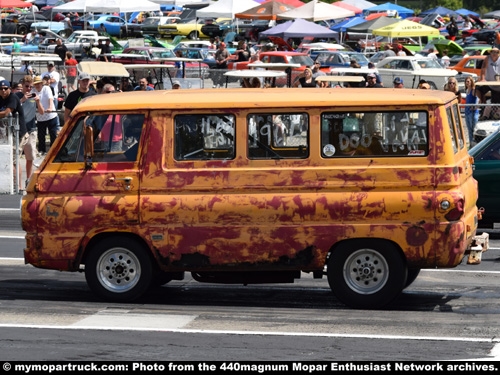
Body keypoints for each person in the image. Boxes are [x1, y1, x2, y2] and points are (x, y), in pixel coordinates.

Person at [0, 79, 27, 189]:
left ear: (9, 89)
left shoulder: (13, 98)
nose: (3, 91)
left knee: (14, 160)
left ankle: (18, 187)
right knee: (9, 159)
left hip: (19, 133)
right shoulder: (0, 98)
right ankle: (12, 185)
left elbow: (7, 112)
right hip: (8, 134)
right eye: (1, 89)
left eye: (5, 88)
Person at [17, 75, 39, 187]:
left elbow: (42, 112)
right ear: (23, 86)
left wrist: (38, 102)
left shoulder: (34, 96)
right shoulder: (17, 96)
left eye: (31, 87)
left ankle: (28, 180)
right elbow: (14, 109)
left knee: (30, 157)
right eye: (27, 86)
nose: (29, 89)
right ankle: (19, 184)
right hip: (19, 130)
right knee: (16, 158)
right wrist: (22, 100)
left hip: (31, 129)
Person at [32, 75, 58, 154]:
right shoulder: (33, 91)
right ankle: (41, 150)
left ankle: (53, 150)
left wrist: (50, 107)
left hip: (51, 116)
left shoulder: (46, 88)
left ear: (41, 83)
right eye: (36, 84)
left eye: (39, 83)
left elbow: (50, 98)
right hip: (40, 117)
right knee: (41, 135)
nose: (37, 85)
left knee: (53, 134)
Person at [476, 47, 500, 118]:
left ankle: (492, 115)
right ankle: (482, 104)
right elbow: (483, 69)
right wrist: (482, 79)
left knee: (495, 103)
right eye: (493, 52)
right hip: (489, 83)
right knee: (478, 89)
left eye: (496, 52)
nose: (494, 53)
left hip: (497, 85)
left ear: (498, 53)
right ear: (490, 52)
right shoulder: (487, 58)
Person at [464, 76, 479, 147]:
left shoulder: (473, 90)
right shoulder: (467, 90)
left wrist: (475, 106)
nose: (467, 83)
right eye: (466, 81)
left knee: (473, 129)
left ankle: (474, 144)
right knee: (469, 129)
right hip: (467, 112)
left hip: (473, 112)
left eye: (468, 81)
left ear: (471, 82)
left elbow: (478, 99)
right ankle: (470, 144)